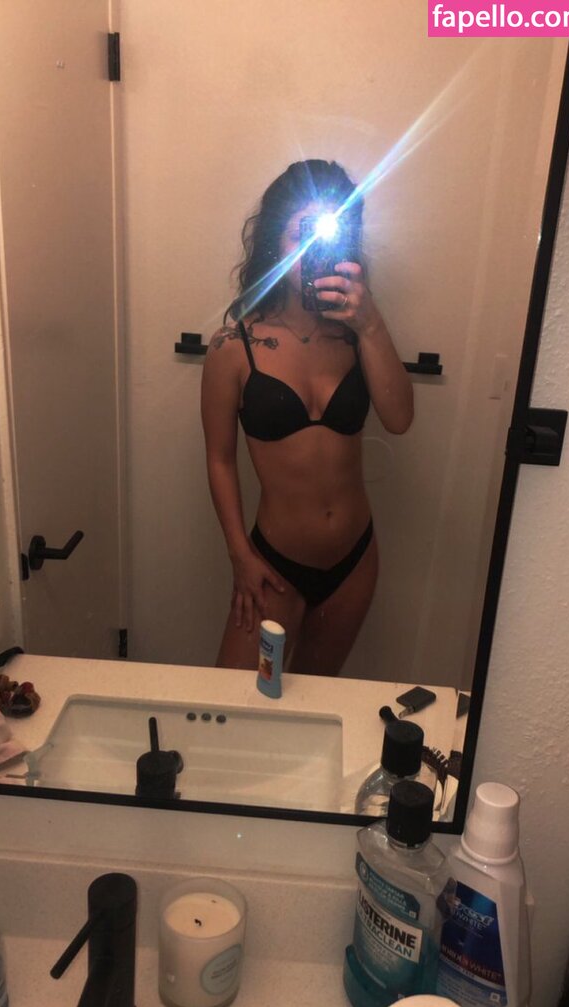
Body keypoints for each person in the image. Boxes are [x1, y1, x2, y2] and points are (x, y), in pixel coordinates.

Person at [201, 160, 413, 676]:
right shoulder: (233, 346)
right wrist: (239, 556)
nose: (317, 249)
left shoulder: (357, 334)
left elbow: (400, 418)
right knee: (240, 702)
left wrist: (371, 324)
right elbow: (220, 460)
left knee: (317, 699)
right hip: (274, 566)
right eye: (304, 233)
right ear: (276, 240)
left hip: (355, 562)